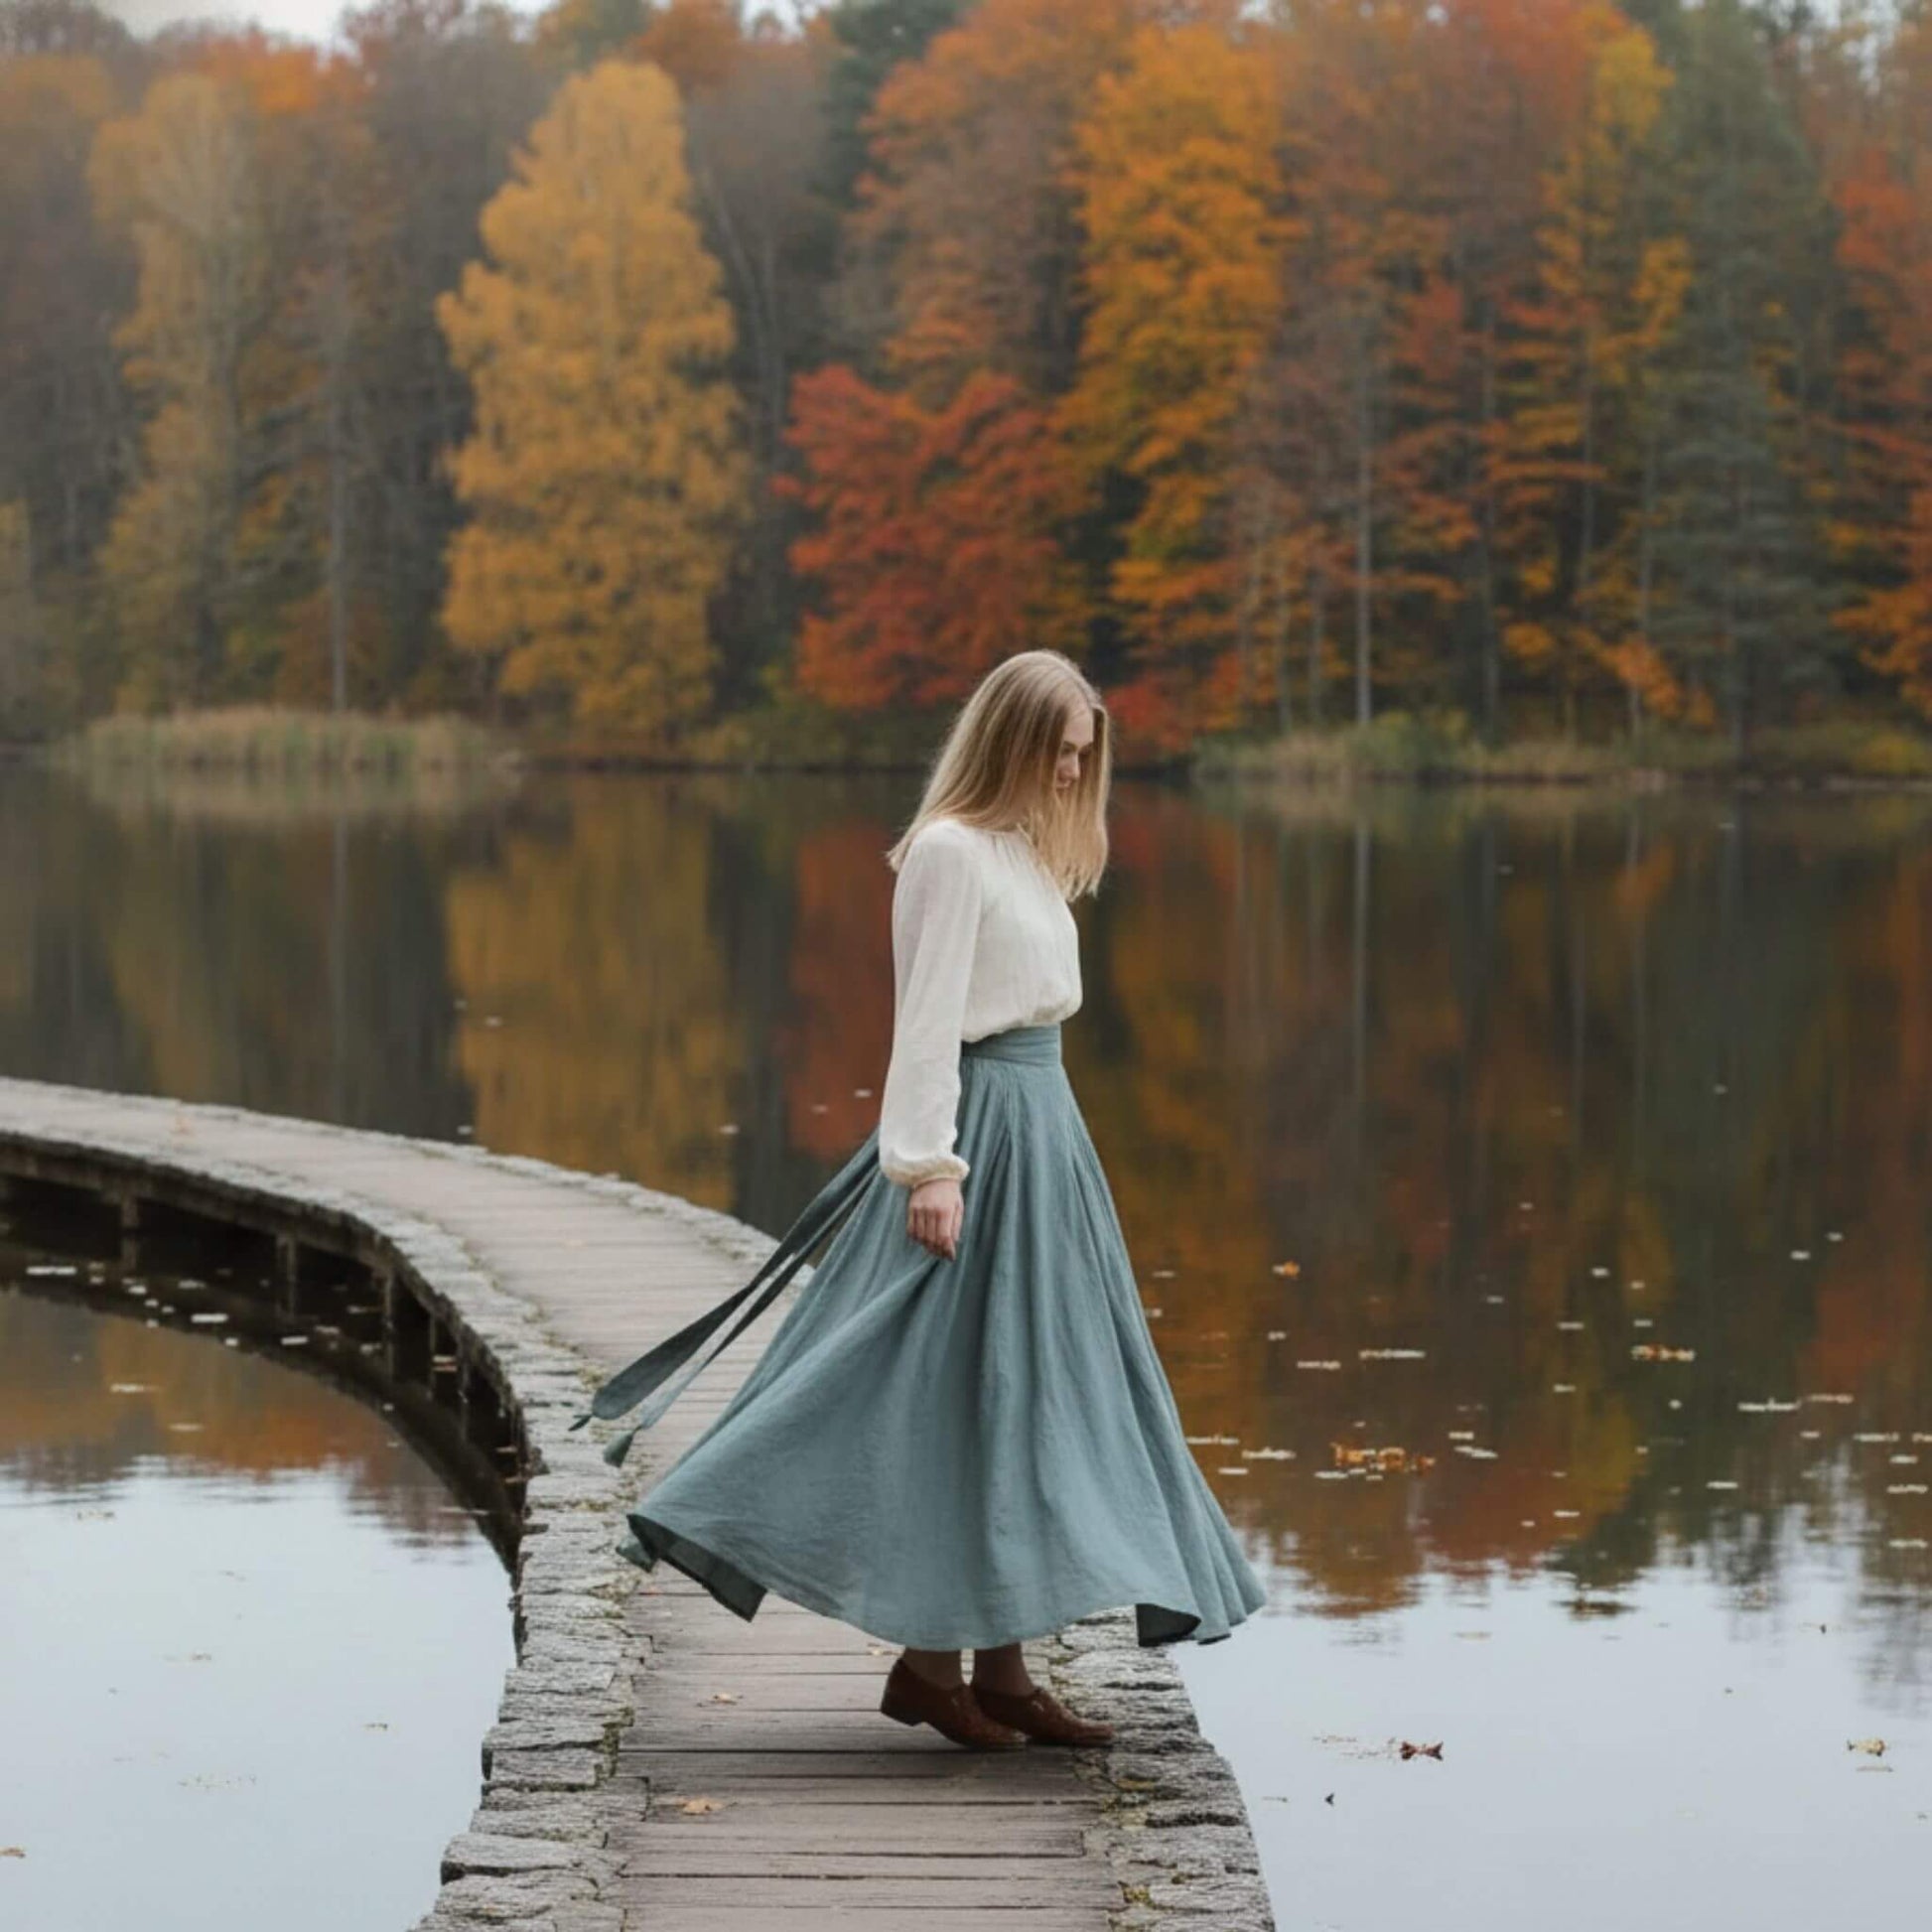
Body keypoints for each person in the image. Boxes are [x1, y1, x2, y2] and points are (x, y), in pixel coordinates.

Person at [575, 649, 1268, 1751]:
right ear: (1009, 742)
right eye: (1058, 753)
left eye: (1082, 757)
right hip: (978, 1136)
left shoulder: (1025, 852)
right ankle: (932, 1664)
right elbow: (929, 1021)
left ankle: (999, 1672)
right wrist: (929, 1166)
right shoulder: (948, 851)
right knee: (947, 1392)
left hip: (1045, 1137)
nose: (1071, 774)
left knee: (1023, 1394)